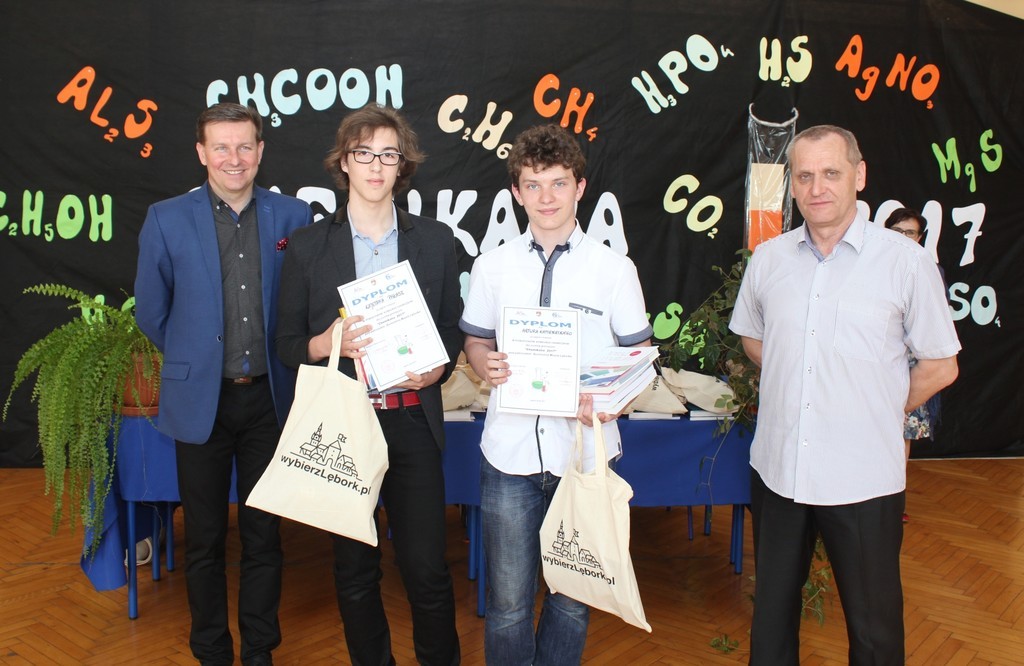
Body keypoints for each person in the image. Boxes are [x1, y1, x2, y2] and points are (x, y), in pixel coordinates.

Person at [729, 125, 960, 665]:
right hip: (779, 471)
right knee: (771, 624)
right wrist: (801, 377)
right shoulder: (770, 258)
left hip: (863, 477)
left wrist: (876, 406)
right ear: (791, 185)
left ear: (859, 175)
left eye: (831, 173)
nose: (817, 188)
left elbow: (941, 365)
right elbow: (753, 338)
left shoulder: (906, 262)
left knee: (874, 632)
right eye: (805, 176)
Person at [275, 103, 462, 666]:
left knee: (426, 568)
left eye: (388, 154)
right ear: (344, 162)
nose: (376, 166)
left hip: (412, 417)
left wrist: (439, 366)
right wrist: (325, 342)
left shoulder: (437, 241)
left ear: (403, 165)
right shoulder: (308, 246)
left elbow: (451, 328)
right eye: (364, 153)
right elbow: (286, 343)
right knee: (355, 569)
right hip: (345, 422)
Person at [460, 124, 653, 665]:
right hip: (509, 455)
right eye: (533, 185)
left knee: (572, 600)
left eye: (558, 183)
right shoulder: (493, 266)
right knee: (507, 605)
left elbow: (640, 359)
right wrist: (482, 361)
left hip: (585, 456)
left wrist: (614, 401)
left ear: (580, 187)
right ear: (516, 193)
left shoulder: (614, 270)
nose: (546, 197)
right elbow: (476, 341)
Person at [135, 102, 314, 666]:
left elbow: (305, 304)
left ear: (260, 150)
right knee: (205, 539)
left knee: (264, 536)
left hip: (270, 400)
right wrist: (196, 356)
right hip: (200, 403)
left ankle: (259, 650)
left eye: (244, 146)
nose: (233, 158)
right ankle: (211, 651)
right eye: (221, 147)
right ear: (201, 153)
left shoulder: (294, 217)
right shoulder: (165, 218)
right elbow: (152, 313)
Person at [884, 207, 946, 523]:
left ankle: (895, 502)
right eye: (897, 231)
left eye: (910, 233)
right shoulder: (870, 268)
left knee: (902, 434)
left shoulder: (929, 271)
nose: (904, 238)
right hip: (877, 363)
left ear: (919, 238)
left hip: (911, 367)